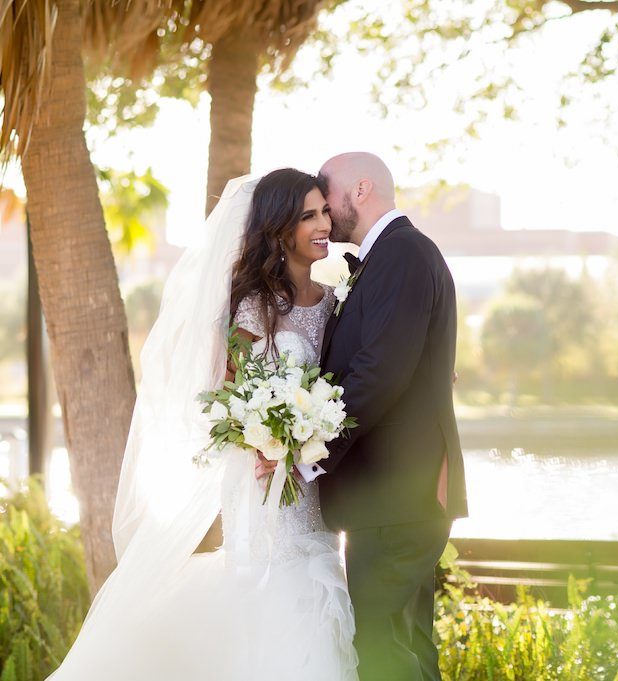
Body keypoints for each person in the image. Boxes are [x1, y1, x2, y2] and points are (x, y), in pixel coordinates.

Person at [47, 169, 357, 680]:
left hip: (317, 483)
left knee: (316, 591)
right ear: (280, 229)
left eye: (325, 211)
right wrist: (265, 436)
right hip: (261, 483)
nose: (324, 223)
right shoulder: (254, 306)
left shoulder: (333, 303)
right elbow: (223, 397)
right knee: (269, 592)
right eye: (309, 216)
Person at [315, 151, 469, 680]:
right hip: (392, 496)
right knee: (403, 643)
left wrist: (313, 455)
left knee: (381, 646)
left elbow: (380, 372)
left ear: (359, 191)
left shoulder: (402, 255)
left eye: (325, 193)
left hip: (396, 495)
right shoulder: (390, 258)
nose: (322, 210)